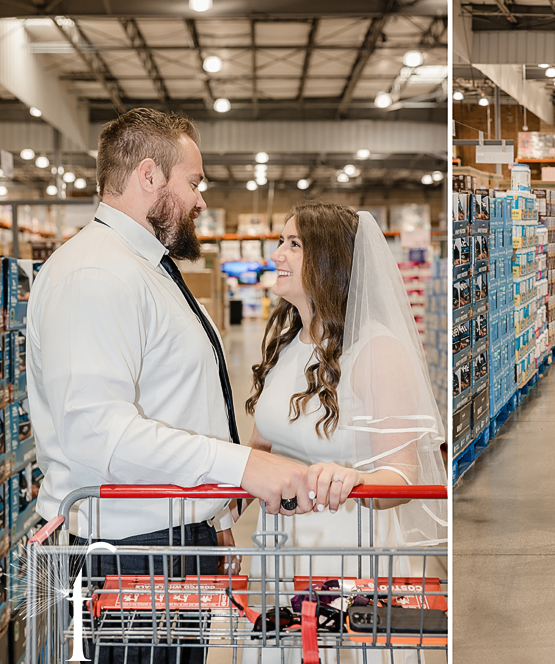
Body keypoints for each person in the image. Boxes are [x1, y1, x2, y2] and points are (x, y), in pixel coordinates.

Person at [26, 108, 312, 663]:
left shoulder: (144, 267)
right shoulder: (97, 274)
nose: (201, 200)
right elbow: (98, 435)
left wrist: (214, 516)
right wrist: (244, 467)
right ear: (150, 176)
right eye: (194, 182)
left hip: (170, 542)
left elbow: (182, 404)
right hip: (128, 555)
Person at [237, 203, 447, 663]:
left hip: (350, 553)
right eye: (280, 241)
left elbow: (405, 479)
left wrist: (353, 479)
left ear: (330, 261)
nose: (278, 254)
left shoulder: (376, 352)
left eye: (294, 244)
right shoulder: (288, 345)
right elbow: (259, 447)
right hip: (280, 549)